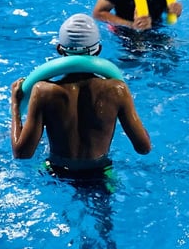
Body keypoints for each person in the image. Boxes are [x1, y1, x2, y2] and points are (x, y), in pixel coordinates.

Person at [10, 14, 151, 174]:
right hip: (101, 173)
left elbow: (22, 154)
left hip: (56, 173)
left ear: (59, 49)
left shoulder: (43, 91)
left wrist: (15, 105)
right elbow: (143, 148)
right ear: (98, 50)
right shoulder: (117, 90)